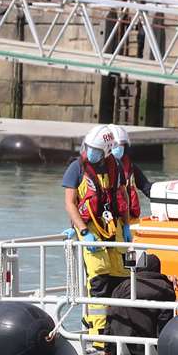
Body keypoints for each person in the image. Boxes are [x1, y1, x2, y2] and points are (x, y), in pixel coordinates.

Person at [62, 124, 135, 335]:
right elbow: (70, 203)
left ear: (106, 150)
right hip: (91, 230)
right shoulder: (76, 168)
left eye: (95, 149)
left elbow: (122, 197)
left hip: (114, 227)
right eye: (88, 147)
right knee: (99, 280)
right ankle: (100, 337)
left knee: (121, 280)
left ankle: (121, 331)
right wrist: (82, 231)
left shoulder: (116, 167)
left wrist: (127, 225)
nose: (89, 152)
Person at [104, 252, 177, 349]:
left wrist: (107, 347)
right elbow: (164, 322)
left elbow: (110, 316)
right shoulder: (164, 288)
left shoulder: (124, 285)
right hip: (148, 347)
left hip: (120, 345)